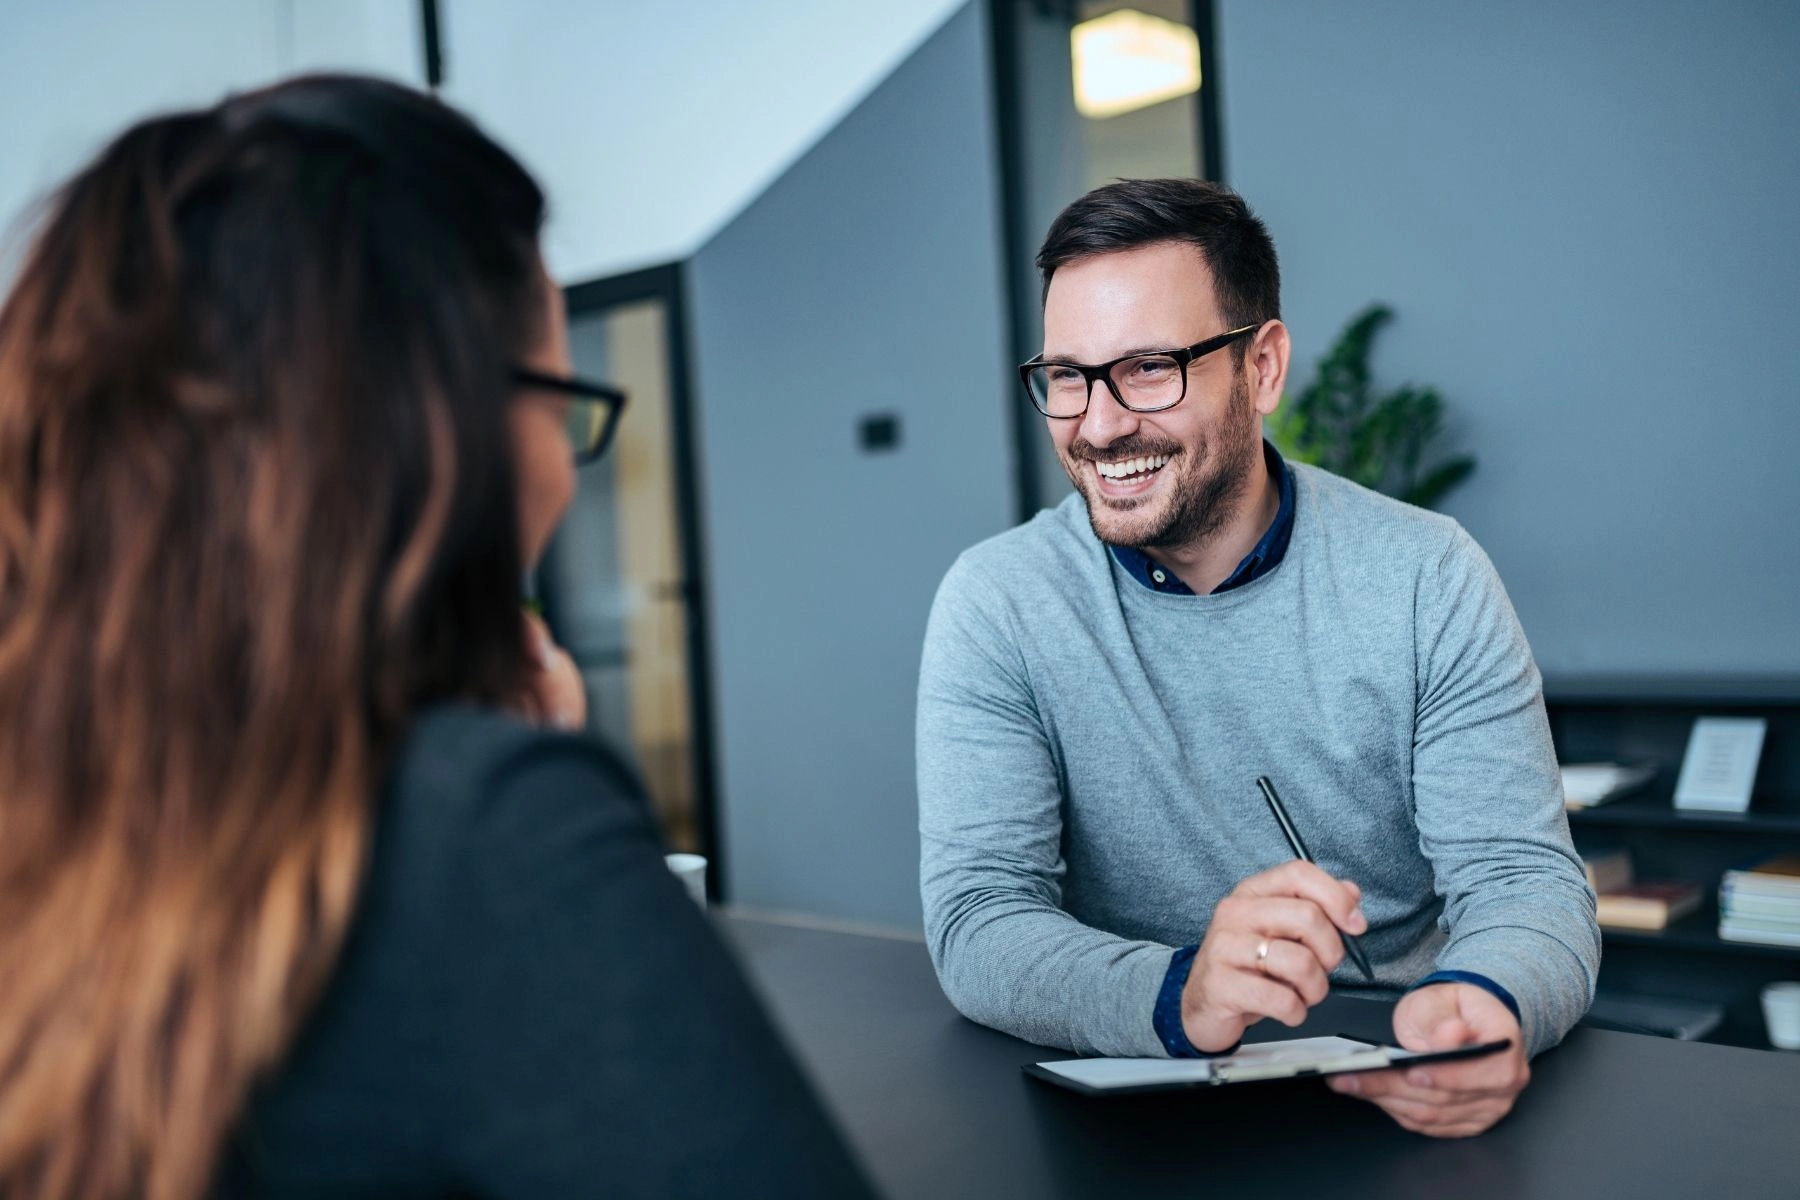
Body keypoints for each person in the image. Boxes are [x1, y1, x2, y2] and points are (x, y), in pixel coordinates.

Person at [0, 76, 873, 1199]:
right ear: (443, 434)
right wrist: (521, 786)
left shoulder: (56, 809)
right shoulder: (484, 835)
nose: (565, 465)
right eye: (562, 402)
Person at [917, 178, 1599, 1138]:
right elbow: (980, 921)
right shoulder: (999, 602)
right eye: (1068, 375)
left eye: (1149, 367)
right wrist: (1183, 993)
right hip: (1132, 1109)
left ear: (1264, 366)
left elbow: (1524, 882)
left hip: (1395, 1088)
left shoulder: (1424, 575)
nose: (1100, 423)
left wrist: (1488, 1001)